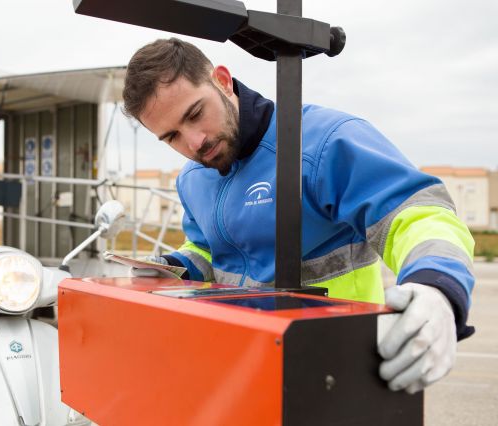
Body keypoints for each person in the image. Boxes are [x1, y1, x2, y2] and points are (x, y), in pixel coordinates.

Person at [123, 38, 475, 394]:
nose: (194, 143)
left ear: (223, 81)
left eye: (195, 113)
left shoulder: (324, 143)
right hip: (242, 365)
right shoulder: (192, 179)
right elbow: (208, 249)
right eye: (172, 137)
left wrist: (438, 288)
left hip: (337, 367)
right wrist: (174, 266)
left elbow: (420, 214)